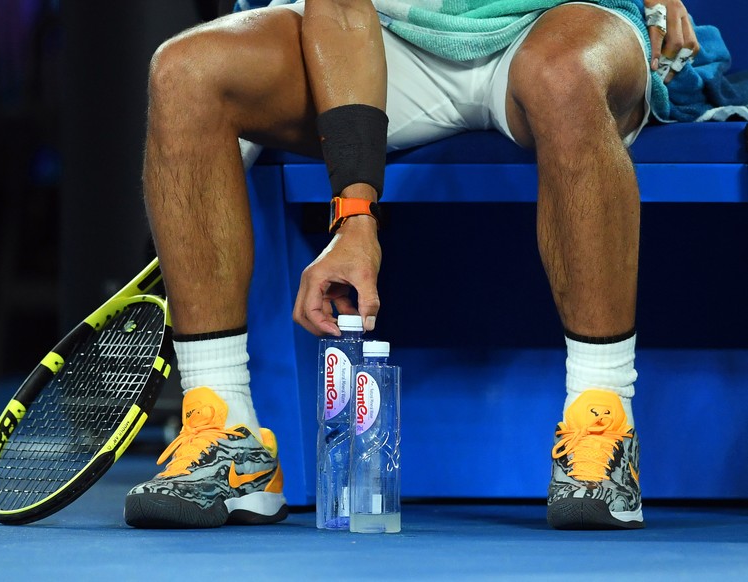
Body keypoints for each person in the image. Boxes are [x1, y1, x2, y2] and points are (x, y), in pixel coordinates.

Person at [122, 0, 700, 530]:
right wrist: (354, 218)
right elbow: (342, 9)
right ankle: (226, 429)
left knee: (565, 74)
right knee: (187, 72)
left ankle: (603, 418)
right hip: (379, 38)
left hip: (550, 25)